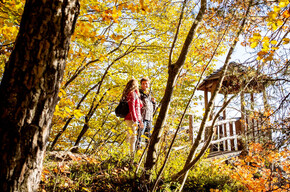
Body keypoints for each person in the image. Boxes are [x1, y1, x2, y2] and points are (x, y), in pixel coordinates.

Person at [122, 79, 144, 155]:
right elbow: (132, 108)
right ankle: (127, 154)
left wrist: (140, 121)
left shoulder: (136, 94)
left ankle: (131, 154)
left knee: (133, 137)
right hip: (130, 118)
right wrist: (135, 120)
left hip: (135, 118)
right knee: (131, 136)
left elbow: (138, 108)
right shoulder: (131, 94)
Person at [137, 77, 156, 148]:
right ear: (141, 85)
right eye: (143, 84)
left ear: (148, 84)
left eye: (146, 83)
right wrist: (139, 120)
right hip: (142, 119)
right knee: (139, 136)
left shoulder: (150, 95)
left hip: (149, 119)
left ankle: (147, 154)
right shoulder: (139, 94)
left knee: (148, 138)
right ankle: (136, 152)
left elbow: (152, 109)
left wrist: (153, 103)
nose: (145, 85)